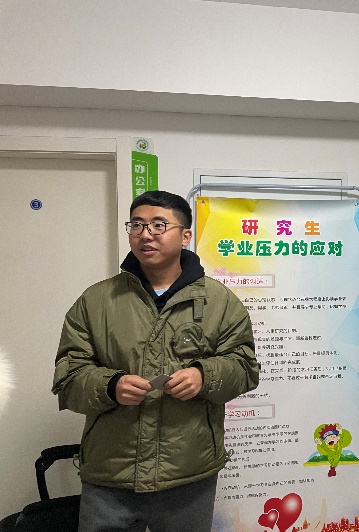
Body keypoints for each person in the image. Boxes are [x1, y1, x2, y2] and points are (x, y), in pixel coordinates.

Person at [52, 191, 259, 532]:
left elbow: (245, 367)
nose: (145, 234)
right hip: (111, 471)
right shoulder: (97, 300)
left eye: (159, 225)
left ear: (185, 235)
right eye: (137, 225)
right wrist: (110, 386)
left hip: (188, 471)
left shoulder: (219, 301)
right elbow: (68, 375)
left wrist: (205, 376)